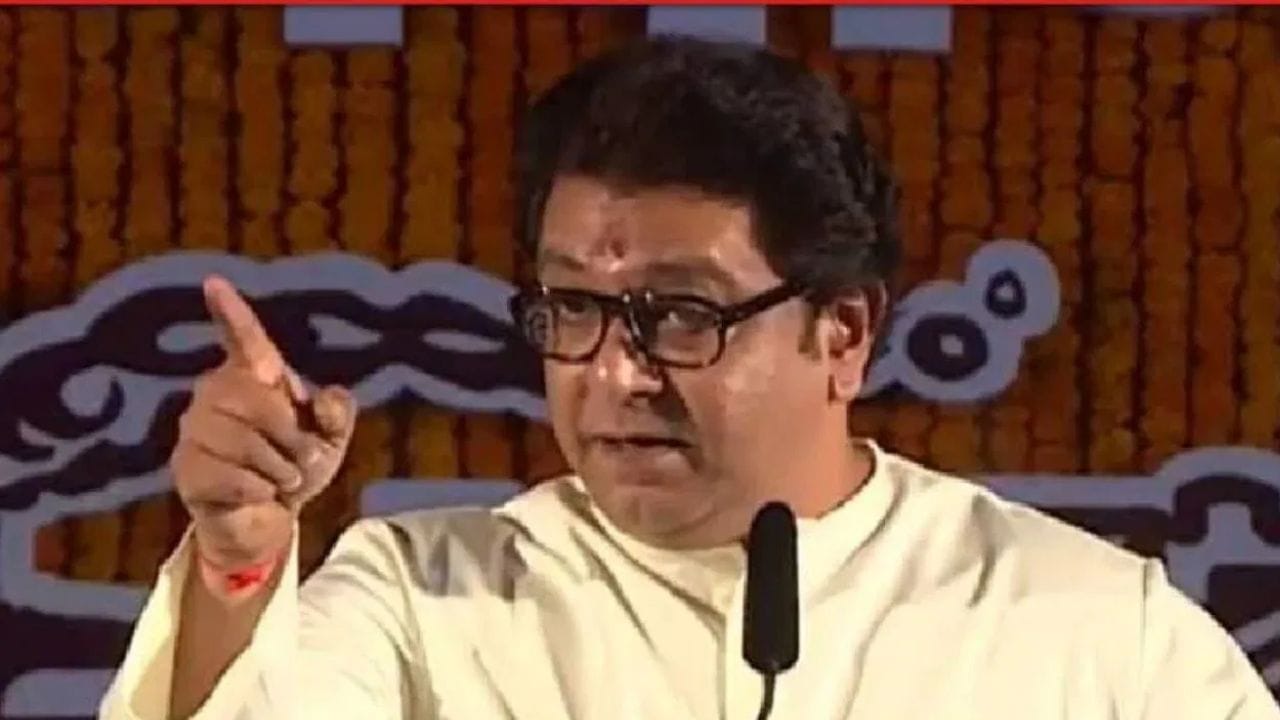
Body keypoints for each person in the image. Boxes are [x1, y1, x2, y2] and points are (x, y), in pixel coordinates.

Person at [101, 37, 1277, 720]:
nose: (614, 372)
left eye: (679, 314)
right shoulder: (423, 598)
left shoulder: (1091, 633)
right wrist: (238, 557)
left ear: (842, 333)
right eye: (572, 307)